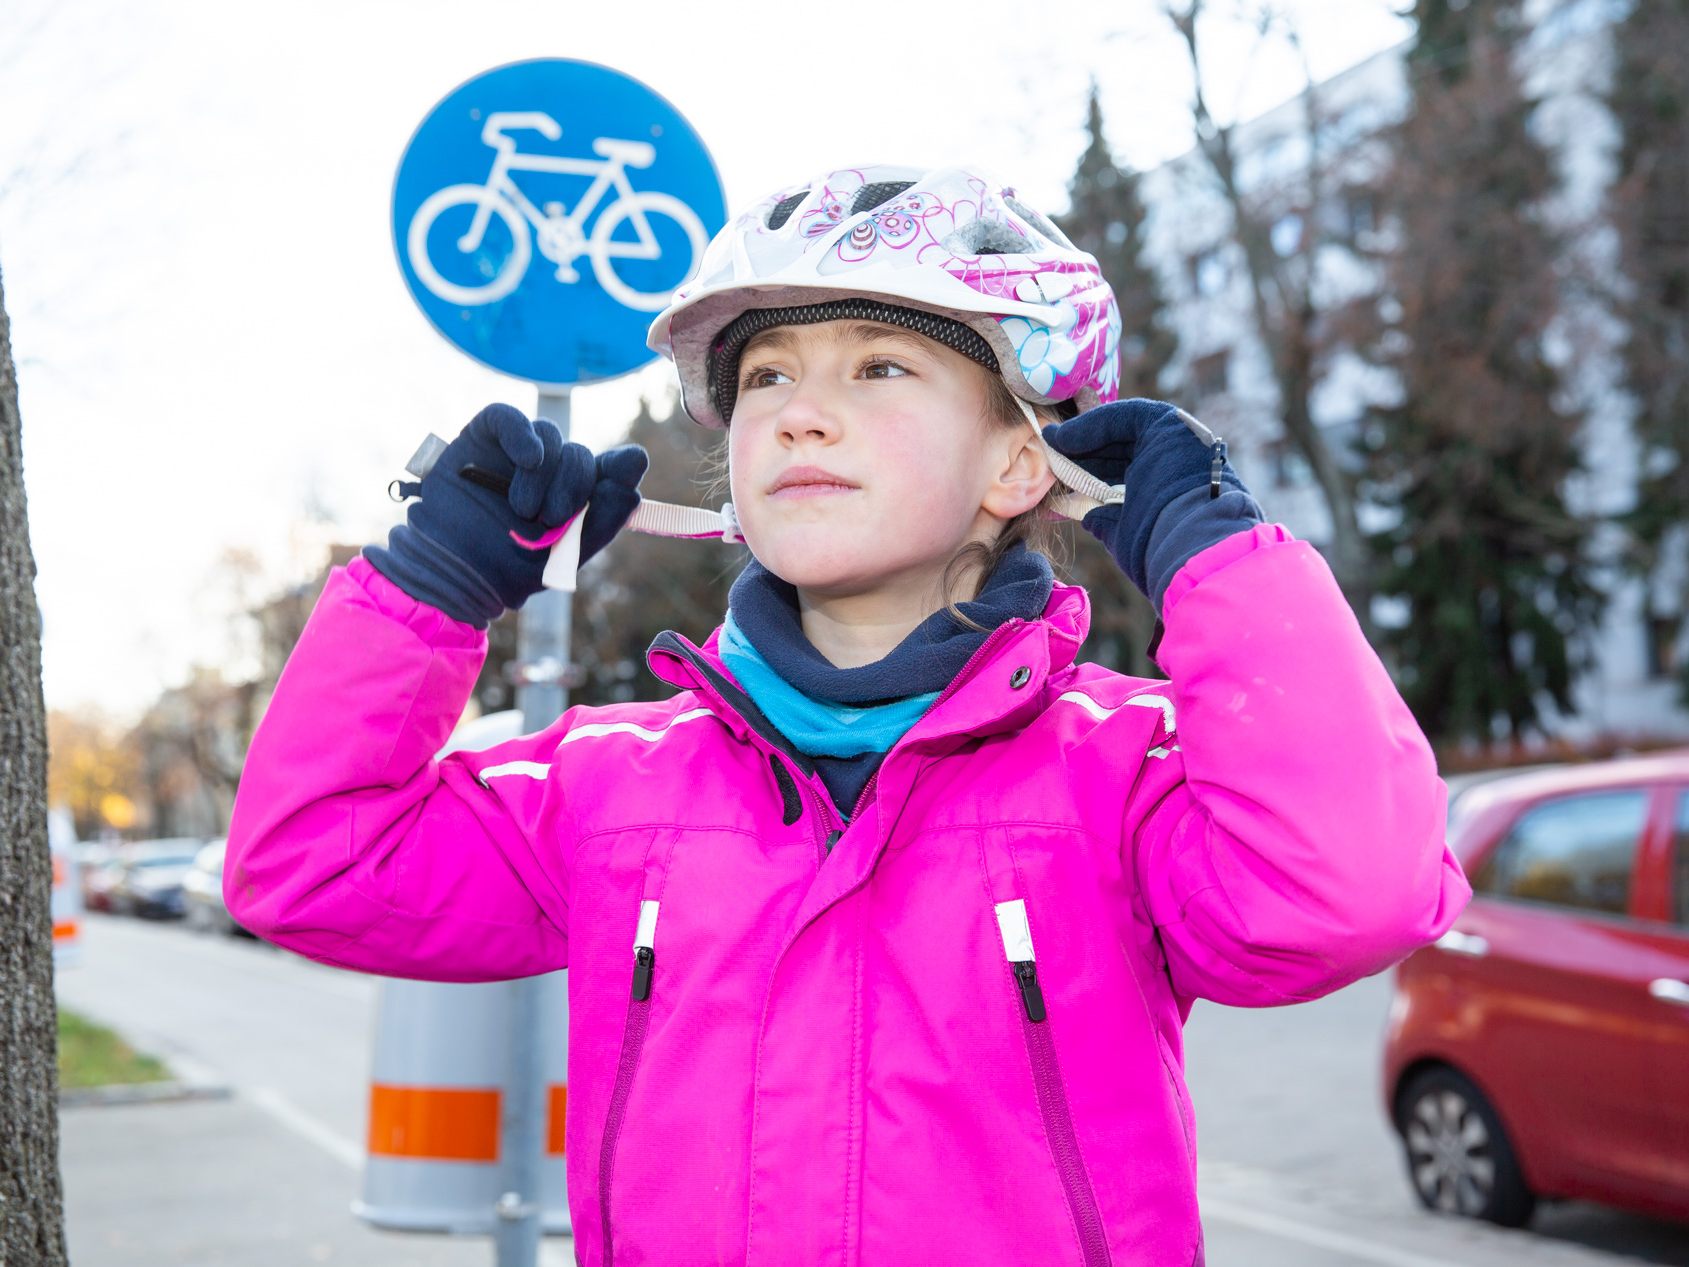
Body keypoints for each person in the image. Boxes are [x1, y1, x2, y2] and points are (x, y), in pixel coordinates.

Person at [226, 164, 1470, 1266]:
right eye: (767, 374)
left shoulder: (1122, 769)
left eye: (879, 367)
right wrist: (433, 589)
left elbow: (1346, 894)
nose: (797, 412)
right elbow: (308, 866)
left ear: (1020, 463)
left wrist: (1216, 558)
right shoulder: (608, 782)